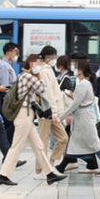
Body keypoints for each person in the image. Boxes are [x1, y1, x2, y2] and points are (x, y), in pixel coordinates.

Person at [0, 54, 67, 186]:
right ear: (31, 64)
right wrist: (40, 76)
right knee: (16, 147)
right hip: (24, 115)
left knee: (39, 146)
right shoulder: (28, 77)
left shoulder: (23, 76)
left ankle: (50, 174)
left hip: (26, 116)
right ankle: (3, 175)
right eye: (38, 65)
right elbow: (43, 88)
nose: (40, 68)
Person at [54, 60, 100, 175]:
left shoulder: (83, 84)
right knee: (77, 142)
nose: (73, 69)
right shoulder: (85, 83)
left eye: (75, 67)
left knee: (93, 143)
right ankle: (62, 166)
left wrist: (61, 117)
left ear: (81, 70)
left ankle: (62, 166)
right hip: (83, 117)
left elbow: (75, 104)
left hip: (84, 118)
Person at [35, 46, 68, 180]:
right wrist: (53, 112)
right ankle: (38, 172)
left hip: (52, 112)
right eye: (54, 56)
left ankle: (50, 164)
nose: (55, 59)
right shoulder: (45, 70)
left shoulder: (47, 70)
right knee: (42, 141)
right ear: (49, 56)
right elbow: (48, 93)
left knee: (63, 138)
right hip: (47, 112)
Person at [0, 42, 19, 144]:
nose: (16, 55)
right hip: (5, 97)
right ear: (10, 52)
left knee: (10, 125)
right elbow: (4, 85)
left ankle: (8, 152)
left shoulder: (7, 65)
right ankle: (7, 150)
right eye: (16, 52)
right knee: (10, 124)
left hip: (7, 96)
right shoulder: (4, 66)